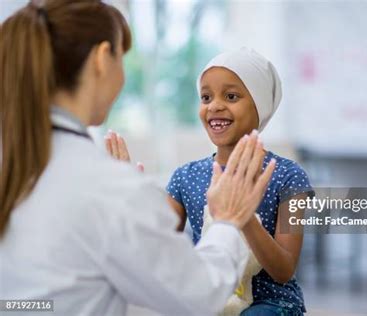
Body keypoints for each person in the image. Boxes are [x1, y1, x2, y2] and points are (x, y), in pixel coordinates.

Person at [0, 2, 275, 315]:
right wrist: (227, 220)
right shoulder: (109, 186)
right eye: (123, 56)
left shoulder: (39, 165)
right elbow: (198, 293)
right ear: (102, 59)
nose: (214, 107)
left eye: (232, 96)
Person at [107, 48, 313, 315]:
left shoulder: (290, 177)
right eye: (206, 97)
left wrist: (243, 215)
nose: (214, 105)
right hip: (207, 298)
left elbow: (284, 270)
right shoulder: (185, 177)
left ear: (260, 105)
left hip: (271, 305)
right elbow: (157, 251)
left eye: (231, 96)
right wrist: (132, 201)